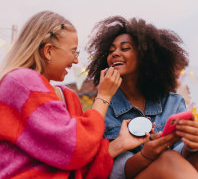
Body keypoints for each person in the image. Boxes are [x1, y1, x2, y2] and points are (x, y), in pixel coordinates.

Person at [0, 11, 148, 179]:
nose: (77, 61)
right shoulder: (20, 82)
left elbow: (79, 166)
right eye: (73, 52)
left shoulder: (68, 97)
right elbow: (75, 148)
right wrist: (104, 96)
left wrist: (120, 144)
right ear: (48, 51)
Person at [86, 16, 198, 178]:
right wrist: (147, 155)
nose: (115, 53)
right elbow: (116, 172)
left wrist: (192, 145)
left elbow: (183, 155)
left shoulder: (173, 102)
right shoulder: (105, 108)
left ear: (145, 56)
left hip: (176, 170)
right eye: (111, 51)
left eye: (124, 48)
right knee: (168, 157)